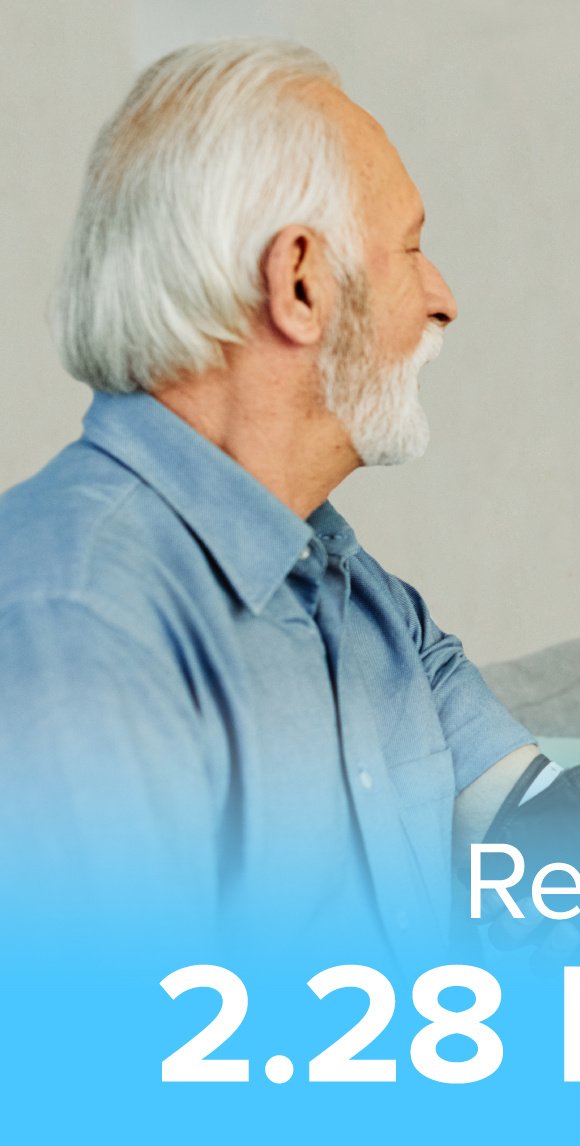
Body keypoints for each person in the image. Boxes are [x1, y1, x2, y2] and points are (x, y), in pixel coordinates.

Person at [0, 40, 542, 948]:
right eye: (411, 248)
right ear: (299, 282)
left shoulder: (365, 600)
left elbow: (576, 857)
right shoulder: (75, 617)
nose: (443, 299)